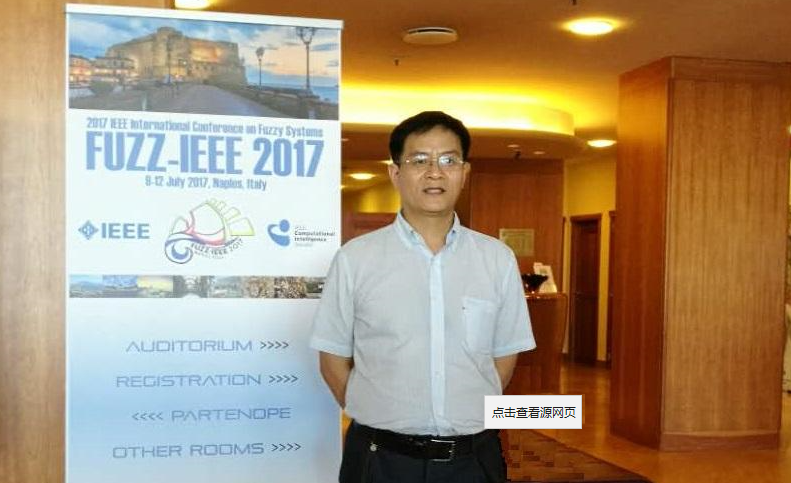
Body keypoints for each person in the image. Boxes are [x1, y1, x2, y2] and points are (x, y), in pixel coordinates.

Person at [310, 111, 535, 483]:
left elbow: (504, 357)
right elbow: (332, 360)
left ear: (464, 172)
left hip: (472, 461)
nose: (435, 173)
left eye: (448, 160)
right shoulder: (356, 258)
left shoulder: (496, 259)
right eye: (419, 161)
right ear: (395, 173)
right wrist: (378, 414)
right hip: (379, 460)